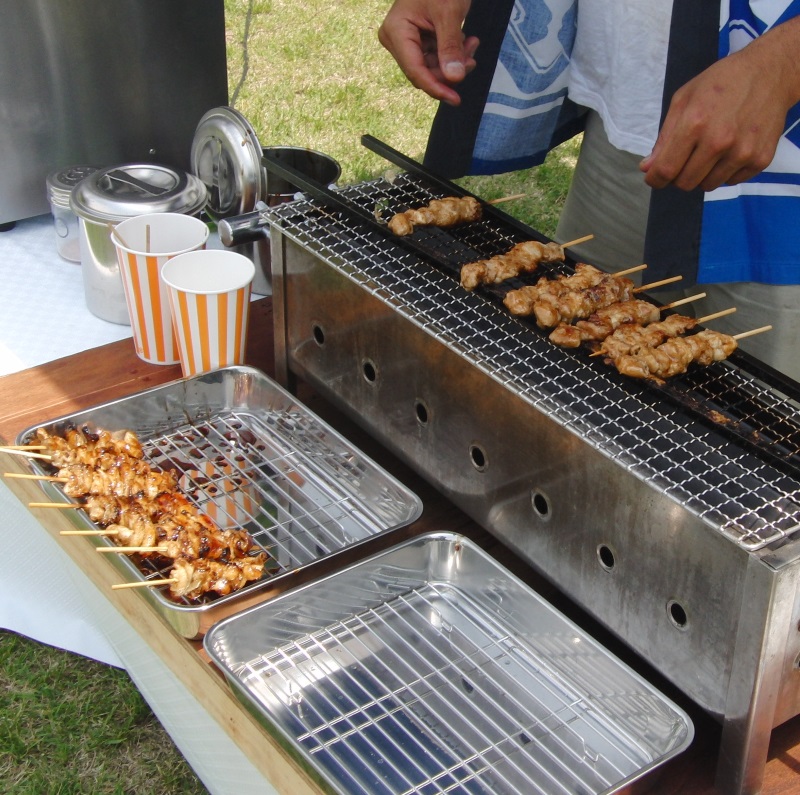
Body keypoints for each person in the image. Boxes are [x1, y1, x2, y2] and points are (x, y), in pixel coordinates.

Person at [378, 0, 800, 381]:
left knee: (765, 413)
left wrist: (783, 64)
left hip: (781, 181)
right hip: (625, 126)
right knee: (572, 378)